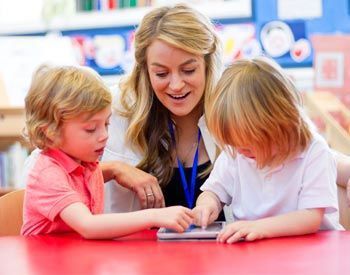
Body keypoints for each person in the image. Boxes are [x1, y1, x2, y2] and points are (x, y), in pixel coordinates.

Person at [21, 65, 193, 238]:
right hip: (47, 262)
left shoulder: (85, 164)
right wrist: (155, 216)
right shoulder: (47, 173)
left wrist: (115, 171)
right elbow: (88, 225)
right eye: (90, 129)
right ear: (49, 132)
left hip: (76, 257)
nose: (104, 136)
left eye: (106, 124)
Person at [193, 57, 343, 244]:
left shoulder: (314, 152)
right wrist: (207, 205)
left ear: (280, 125)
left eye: (248, 144)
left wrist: (258, 227)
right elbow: (213, 191)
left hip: (313, 250)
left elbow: (311, 218)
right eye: (234, 143)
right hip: (257, 252)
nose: (240, 151)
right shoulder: (236, 153)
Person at [101, 3, 225, 219]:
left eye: (188, 70)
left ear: (207, 64)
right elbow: (45, 173)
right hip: (139, 252)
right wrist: (113, 169)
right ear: (145, 70)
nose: (176, 85)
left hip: (227, 252)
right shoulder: (114, 108)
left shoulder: (236, 105)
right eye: (161, 73)